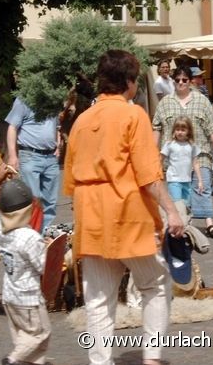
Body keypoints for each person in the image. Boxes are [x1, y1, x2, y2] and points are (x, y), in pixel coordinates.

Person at [63, 50, 183, 365]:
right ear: (129, 82)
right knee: (155, 284)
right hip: (128, 214)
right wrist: (171, 211)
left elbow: (70, 180)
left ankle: (100, 362)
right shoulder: (133, 115)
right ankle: (152, 359)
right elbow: (148, 174)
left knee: (98, 299)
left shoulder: (82, 120)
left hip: (90, 216)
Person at [153, 64, 213, 239]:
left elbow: (212, 125)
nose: (181, 83)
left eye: (184, 80)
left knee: (203, 186)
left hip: (200, 153)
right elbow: (157, 127)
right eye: (177, 80)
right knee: (179, 191)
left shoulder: (201, 100)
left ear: (190, 81)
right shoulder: (165, 103)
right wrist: (153, 151)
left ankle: (210, 223)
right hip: (174, 159)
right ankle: (185, 222)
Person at [0, 179, 52, 365]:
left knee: (22, 338)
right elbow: (43, 266)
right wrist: (51, 250)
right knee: (40, 335)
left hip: (10, 295)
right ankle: (12, 360)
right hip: (29, 298)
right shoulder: (29, 238)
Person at [6, 97, 60, 233]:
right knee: (33, 200)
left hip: (51, 156)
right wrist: (13, 156)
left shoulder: (53, 98)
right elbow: (12, 127)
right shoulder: (23, 100)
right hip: (30, 155)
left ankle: (44, 236)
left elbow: (57, 126)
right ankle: (32, 236)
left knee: (50, 202)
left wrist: (58, 145)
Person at [160, 116, 203, 208]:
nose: (179, 132)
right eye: (177, 129)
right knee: (177, 204)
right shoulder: (170, 144)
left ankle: (186, 222)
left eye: (183, 130)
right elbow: (160, 160)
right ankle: (178, 221)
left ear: (188, 131)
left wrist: (200, 181)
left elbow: (195, 163)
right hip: (173, 179)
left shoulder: (192, 145)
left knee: (187, 205)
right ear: (174, 130)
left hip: (187, 180)